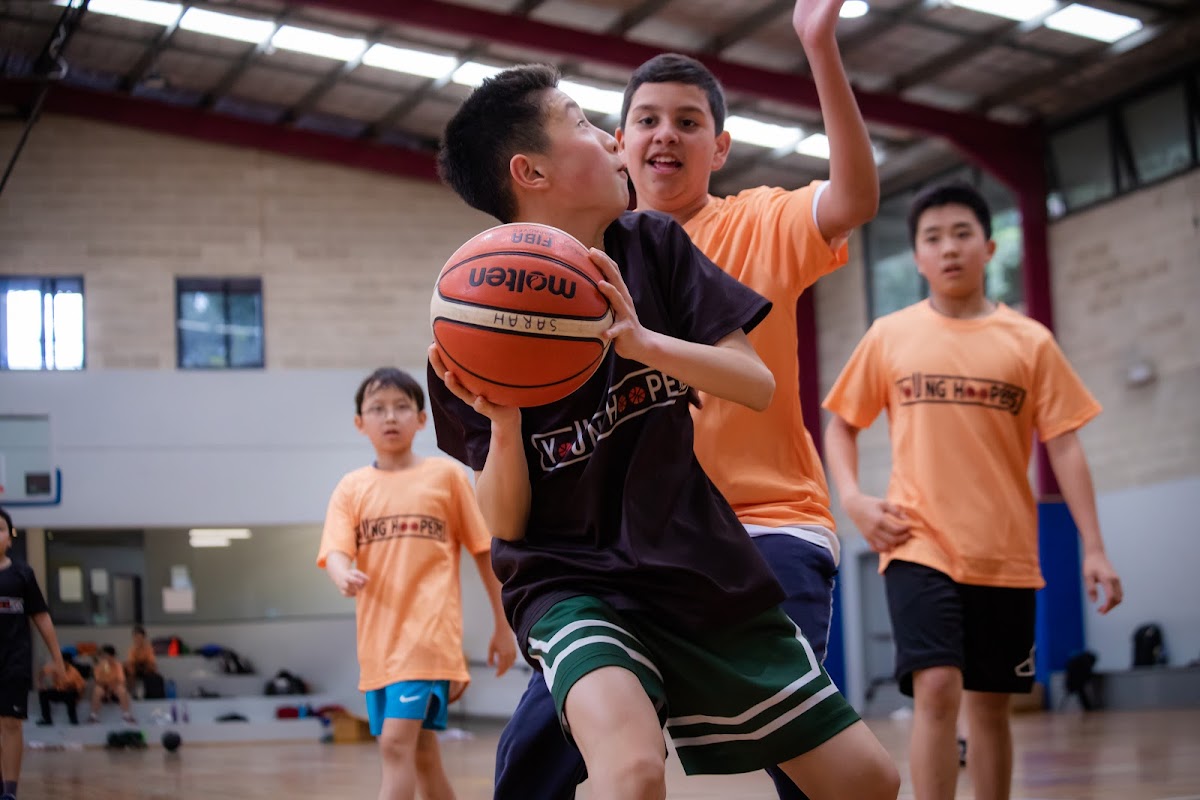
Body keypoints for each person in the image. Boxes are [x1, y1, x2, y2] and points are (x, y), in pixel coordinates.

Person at [429, 64, 899, 800]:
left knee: (868, 781)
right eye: (583, 123)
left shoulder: (653, 246)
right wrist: (509, 421)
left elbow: (756, 383)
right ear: (532, 171)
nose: (612, 142)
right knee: (633, 767)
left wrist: (644, 342)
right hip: (571, 580)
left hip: (690, 563)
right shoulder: (470, 324)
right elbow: (506, 520)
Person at [822, 180, 1124, 800]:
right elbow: (842, 426)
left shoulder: (1030, 342)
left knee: (990, 708)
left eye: (962, 234)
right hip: (918, 542)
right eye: (933, 238)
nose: (949, 248)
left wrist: (1093, 546)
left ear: (989, 248)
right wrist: (852, 498)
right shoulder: (890, 335)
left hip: (1006, 554)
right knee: (936, 687)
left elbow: (1064, 444)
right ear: (918, 258)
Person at [317, 367, 517, 800]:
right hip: (378, 649)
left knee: (393, 745)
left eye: (402, 407)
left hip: (429, 642)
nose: (390, 417)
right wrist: (339, 572)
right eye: (377, 408)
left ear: (422, 419)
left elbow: (485, 551)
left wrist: (504, 626)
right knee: (422, 754)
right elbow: (334, 549)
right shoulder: (352, 488)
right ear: (360, 423)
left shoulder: (446, 478)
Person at [0, 505, 66, 800]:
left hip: (14, 660)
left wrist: (57, 659)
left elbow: (41, 617)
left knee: (11, 723)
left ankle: (10, 792)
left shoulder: (22, 574)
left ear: (10, 538)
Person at [36, 650, 86, 726]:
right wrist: (40, 684)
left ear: (67, 662)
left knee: (71, 694)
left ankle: (73, 719)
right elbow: (42, 672)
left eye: (62, 661)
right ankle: (47, 719)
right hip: (58, 691)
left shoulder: (74, 672)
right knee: (43, 694)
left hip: (70, 693)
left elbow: (82, 686)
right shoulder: (55, 667)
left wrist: (79, 698)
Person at [88, 645, 135, 724]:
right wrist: (104, 669)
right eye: (103, 655)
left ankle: (127, 715)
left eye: (106, 655)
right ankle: (93, 716)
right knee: (97, 690)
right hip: (103, 688)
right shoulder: (98, 666)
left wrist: (111, 689)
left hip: (114, 689)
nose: (104, 657)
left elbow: (121, 680)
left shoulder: (118, 665)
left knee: (122, 690)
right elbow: (98, 681)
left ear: (112, 656)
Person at [125, 625, 162, 699]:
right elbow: (131, 662)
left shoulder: (148, 648)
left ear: (144, 638)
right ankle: (129, 694)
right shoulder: (131, 649)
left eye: (140, 638)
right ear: (133, 638)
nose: (138, 640)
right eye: (136, 638)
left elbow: (151, 662)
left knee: (152, 671)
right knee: (129, 670)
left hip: (146, 669)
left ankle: (149, 695)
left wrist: (143, 664)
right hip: (135, 669)